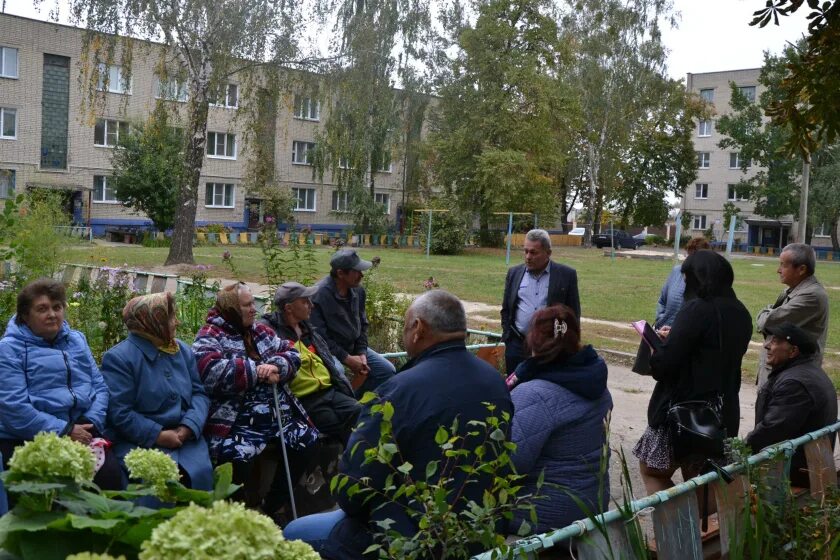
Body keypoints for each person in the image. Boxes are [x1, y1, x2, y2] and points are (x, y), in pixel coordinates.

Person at [284, 290, 513, 558]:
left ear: (417, 328)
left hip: (408, 539)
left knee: (293, 532)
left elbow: (352, 489)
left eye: (405, 325)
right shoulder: (495, 382)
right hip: (480, 531)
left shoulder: (398, 391)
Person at [192, 282, 319, 516]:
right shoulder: (210, 335)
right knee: (236, 456)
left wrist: (278, 366)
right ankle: (236, 513)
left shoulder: (260, 331)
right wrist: (257, 370)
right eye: (247, 305)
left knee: (307, 439)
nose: (254, 309)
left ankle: (272, 507)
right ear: (231, 309)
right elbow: (209, 371)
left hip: (276, 413)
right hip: (238, 420)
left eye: (253, 303)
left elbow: (291, 354)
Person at [634, 250, 752, 495]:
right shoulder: (741, 312)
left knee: (653, 470)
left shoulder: (697, 309)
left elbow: (666, 365)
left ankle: (680, 528)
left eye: (687, 279)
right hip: (722, 411)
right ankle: (697, 526)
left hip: (683, 411)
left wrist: (659, 347)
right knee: (703, 483)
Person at [0, 278, 122, 490]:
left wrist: (89, 422)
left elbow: (99, 387)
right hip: (30, 437)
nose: (52, 315)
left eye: (57, 307)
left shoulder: (76, 340)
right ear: (25, 316)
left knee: (110, 479)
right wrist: (64, 430)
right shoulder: (9, 350)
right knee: (48, 494)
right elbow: (14, 408)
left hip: (83, 430)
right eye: (42, 309)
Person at [506, 305, 612, 533]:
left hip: (546, 512)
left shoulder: (534, 394)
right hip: (592, 501)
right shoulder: (595, 383)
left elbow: (511, 464)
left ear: (533, 341)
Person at [101, 292, 213, 490]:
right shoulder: (120, 358)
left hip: (185, 440)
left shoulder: (181, 351)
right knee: (157, 487)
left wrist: (188, 426)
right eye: (170, 317)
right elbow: (119, 412)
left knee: (199, 477)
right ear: (153, 321)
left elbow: (199, 393)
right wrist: (158, 435)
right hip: (140, 444)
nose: (176, 322)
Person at [261, 282, 361, 444]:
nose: (311, 305)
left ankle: (350, 462)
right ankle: (348, 464)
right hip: (305, 398)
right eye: (305, 301)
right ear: (288, 308)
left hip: (329, 390)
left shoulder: (307, 329)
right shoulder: (271, 332)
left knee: (360, 410)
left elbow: (328, 361)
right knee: (337, 425)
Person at [746, 322, 837, 488]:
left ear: (793, 351)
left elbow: (772, 431)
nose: (767, 346)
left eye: (775, 342)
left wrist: (741, 452)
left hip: (794, 471)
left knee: (719, 478)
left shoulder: (794, 384)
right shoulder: (808, 371)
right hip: (805, 463)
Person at [310, 249, 396, 396]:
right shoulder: (318, 295)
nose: (362, 275)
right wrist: (347, 358)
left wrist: (362, 353)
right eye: (356, 271)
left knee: (386, 370)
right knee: (339, 371)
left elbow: (363, 324)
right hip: (326, 351)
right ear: (340, 273)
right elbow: (319, 337)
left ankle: (358, 405)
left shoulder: (358, 291)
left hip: (353, 347)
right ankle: (339, 409)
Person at [501, 229, 581, 374]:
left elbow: (573, 315)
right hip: (517, 347)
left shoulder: (566, 275)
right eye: (525, 251)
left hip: (550, 349)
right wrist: (508, 337)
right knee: (515, 391)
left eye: (533, 252)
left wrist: (563, 344)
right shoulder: (514, 273)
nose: (528, 257)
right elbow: (506, 308)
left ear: (548, 253)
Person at [756, 243, 829, 386]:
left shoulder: (812, 296)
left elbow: (768, 322)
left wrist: (767, 312)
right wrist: (770, 313)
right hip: (781, 371)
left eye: (783, 265)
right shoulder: (793, 290)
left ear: (801, 269)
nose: (778, 270)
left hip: (793, 376)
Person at [654, 237, 711, 329]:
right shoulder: (676, 271)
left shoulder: (709, 280)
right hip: (663, 330)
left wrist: (677, 332)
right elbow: (662, 300)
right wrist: (660, 320)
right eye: (689, 255)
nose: (690, 260)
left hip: (686, 337)